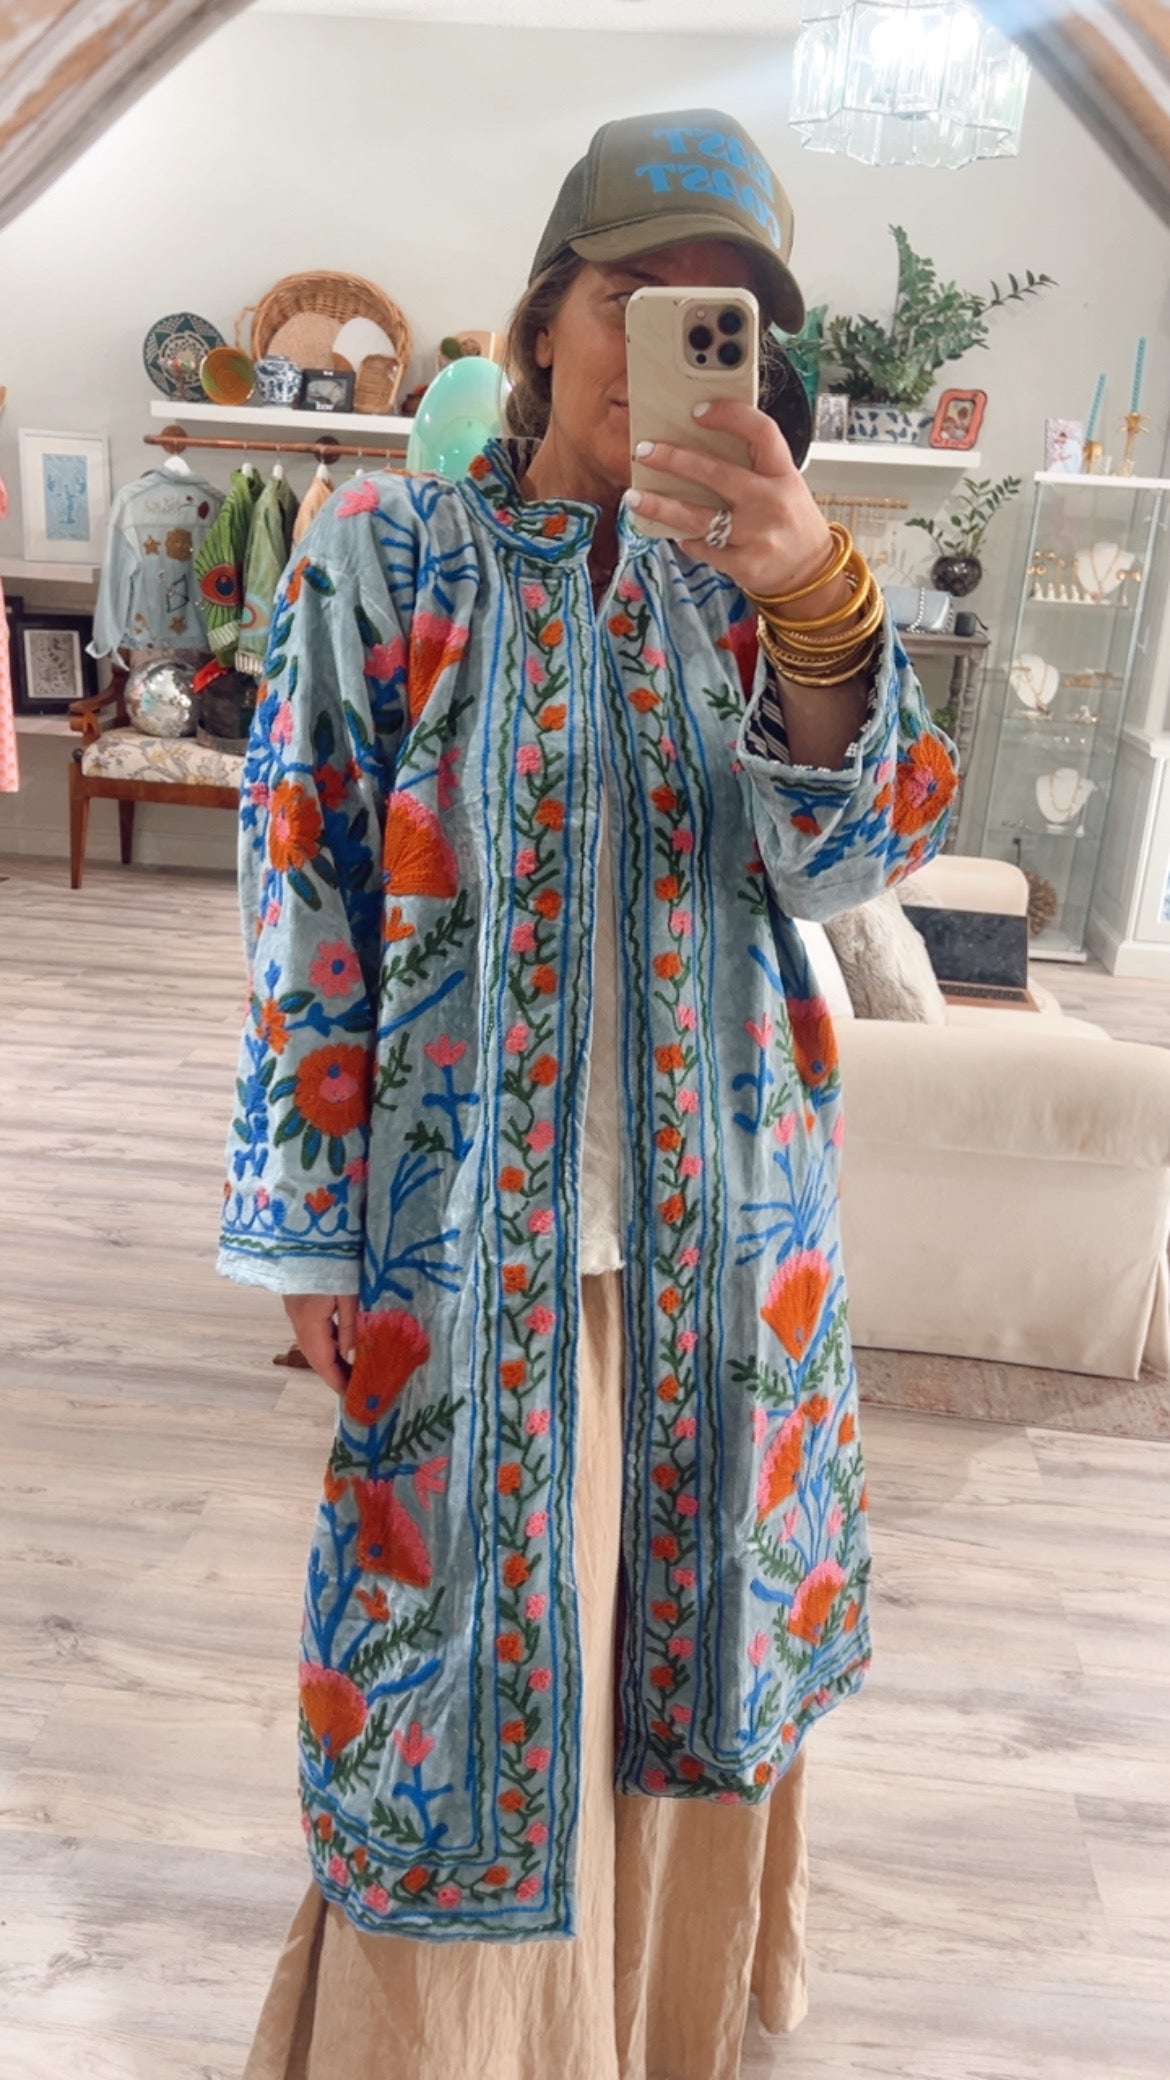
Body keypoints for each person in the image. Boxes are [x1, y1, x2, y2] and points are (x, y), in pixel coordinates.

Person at [218, 107, 959, 2080]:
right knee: (454, 1660)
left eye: (722, 315)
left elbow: (852, 853)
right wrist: (307, 1236)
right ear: (549, 317)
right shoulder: (385, 555)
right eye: (637, 297)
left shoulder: (769, 574)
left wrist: (816, 599)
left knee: (692, 1632)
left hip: (732, 1235)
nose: (665, 347)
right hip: (461, 1240)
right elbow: (305, 887)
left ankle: (660, 2020)